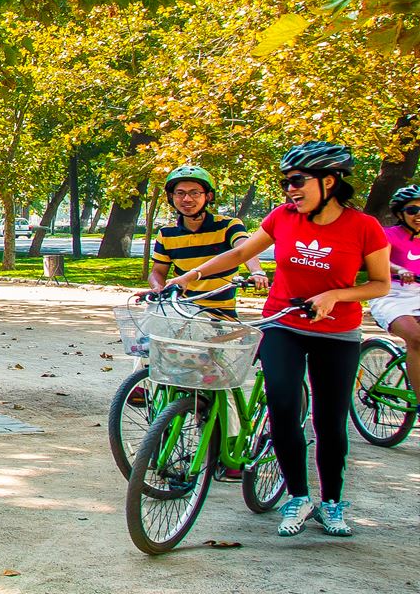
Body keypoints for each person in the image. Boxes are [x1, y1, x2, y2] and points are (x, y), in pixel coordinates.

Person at [167, 142, 389, 538]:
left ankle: (333, 502)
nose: (290, 190)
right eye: (286, 182)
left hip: (337, 333)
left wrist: (336, 294)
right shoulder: (283, 217)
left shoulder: (364, 227)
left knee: (330, 420)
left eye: (298, 181)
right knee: (284, 405)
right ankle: (298, 497)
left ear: (330, 181)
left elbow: (379, 284)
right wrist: (187, 277)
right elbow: (236, 256)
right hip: (283, 323)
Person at [150, 165, 268, 317]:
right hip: (183, 310)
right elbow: (158, 271)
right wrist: (157, 288)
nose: (187, 199)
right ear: (171, 197)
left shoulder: (228, 225)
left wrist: (256, 271)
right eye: (180, 193)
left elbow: (245, 250)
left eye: (195, 193)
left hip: (222, 313)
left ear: (209, 196)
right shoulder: (166, 233)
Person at [367, 184, 420, 397]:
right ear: (400, 213)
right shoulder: (388, 235)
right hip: (391, 294)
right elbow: (379, 261)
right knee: (417, 338)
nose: (418, 215)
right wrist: (400, 269)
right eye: (412, 210)